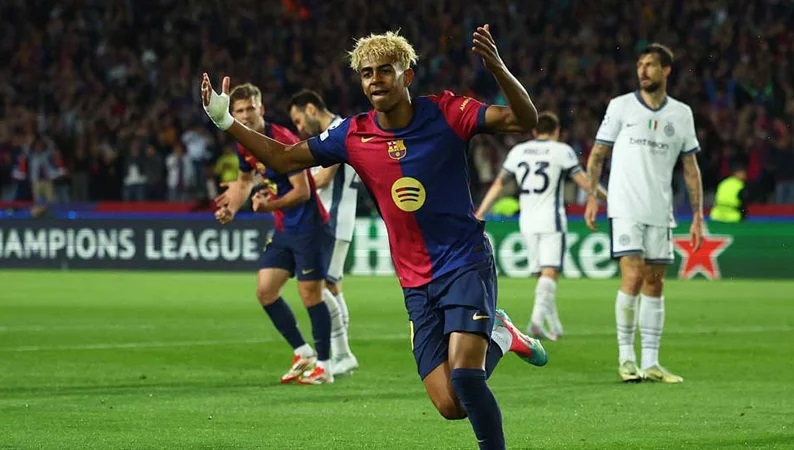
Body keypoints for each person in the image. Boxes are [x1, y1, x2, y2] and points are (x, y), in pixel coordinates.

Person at [202, 27, 548, 450]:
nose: (375, 80)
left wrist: (497, 68)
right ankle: (502, 334)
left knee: (467, 379)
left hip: (464, 261)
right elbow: (284, 157)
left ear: (407, 75)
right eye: (367, 73)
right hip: (415, 280)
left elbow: (525, 119)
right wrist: (226, 122)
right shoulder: (353, 134)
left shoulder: (447, 111)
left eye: (386, 70)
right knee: (449, 404)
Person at [584, 43, 705, 384]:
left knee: (655, 283)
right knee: (633, 277)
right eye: (640, 64)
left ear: (666, 70)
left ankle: (651, 362)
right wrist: (592, 196)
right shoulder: (621, 106)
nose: (643, 70)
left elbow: (690, 167)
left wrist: (697, 215)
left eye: (650, 64)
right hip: (625, 206)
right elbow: (597, 154)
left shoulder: (681, 114)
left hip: (660, 210)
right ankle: (626, 359)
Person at [214, 82, 336, 385]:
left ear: (261, 108)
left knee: (310, 295)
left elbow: (303, 191)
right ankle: (303, 352)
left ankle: (325, 366)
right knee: (265, 290)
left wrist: (269, 206)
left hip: (309, 227)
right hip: (284, 228)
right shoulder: (243, 143)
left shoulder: (281, 140)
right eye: (238, 111)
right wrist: (232, 208)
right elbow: (244, 182)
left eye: (250, 109)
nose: (245, 116)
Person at [475, 112, 605, 341]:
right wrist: (607, 198)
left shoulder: (519, 151)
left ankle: (554, 326)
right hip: (551, 220)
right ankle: (536, 322)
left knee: (543, 275)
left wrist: (481, 211)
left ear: (535, 131)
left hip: (527, 221)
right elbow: (585, 182)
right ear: (557, 131)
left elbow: (498, 184)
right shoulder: (561, 151)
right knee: (550, 272)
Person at [287, 89, 359, 376]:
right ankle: (342, 354)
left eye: (298, 120)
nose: (299, 128)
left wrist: (292, 187)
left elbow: (326, 177)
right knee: (331, 285)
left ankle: (342, 353)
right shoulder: (338, 130)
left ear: (311, 109)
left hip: (333, 219)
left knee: (319, 287)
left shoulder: (337, 130)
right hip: (338, 219)